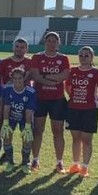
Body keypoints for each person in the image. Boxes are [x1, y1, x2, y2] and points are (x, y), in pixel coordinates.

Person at [29, 32, 70, 173]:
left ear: (58, 43)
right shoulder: (37, 57)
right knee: (38, 131)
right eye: (49, 40)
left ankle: (59, 162)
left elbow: (64, 76)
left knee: (58, 132)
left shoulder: (63, 58)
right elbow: (35, 76)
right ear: (45, 42)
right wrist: (53, 80)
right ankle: (35, 160)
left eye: (54, 41)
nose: (51, 43)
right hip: (40, 99)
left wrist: (45, 76)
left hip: (57, 100)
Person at [65, 46, 98, 177]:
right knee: (75, 138)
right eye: (81, 55)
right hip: (73, 109)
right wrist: (75, 98)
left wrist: (95, 102)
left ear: (92, 57)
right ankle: (75, 164)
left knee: (87, 139)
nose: (83, 58)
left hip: (89, 111)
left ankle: (85, 167)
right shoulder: (73, 71)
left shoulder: (97, 72)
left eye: (86, 55)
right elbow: (68, 87)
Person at [0, 68, 37, 174]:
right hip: (11, 118)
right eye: (14, 78)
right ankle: (10, 162)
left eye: (19, 78)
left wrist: (28, 126)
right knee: (6, 136)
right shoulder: (8, 90)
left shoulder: (31, 92)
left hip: (25, 119)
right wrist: (6, 123)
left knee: (27, 138)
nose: (17, 80)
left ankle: (25, 163)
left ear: (24, 78)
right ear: (11, 79)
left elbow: (29, 110)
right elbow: (6, 106)